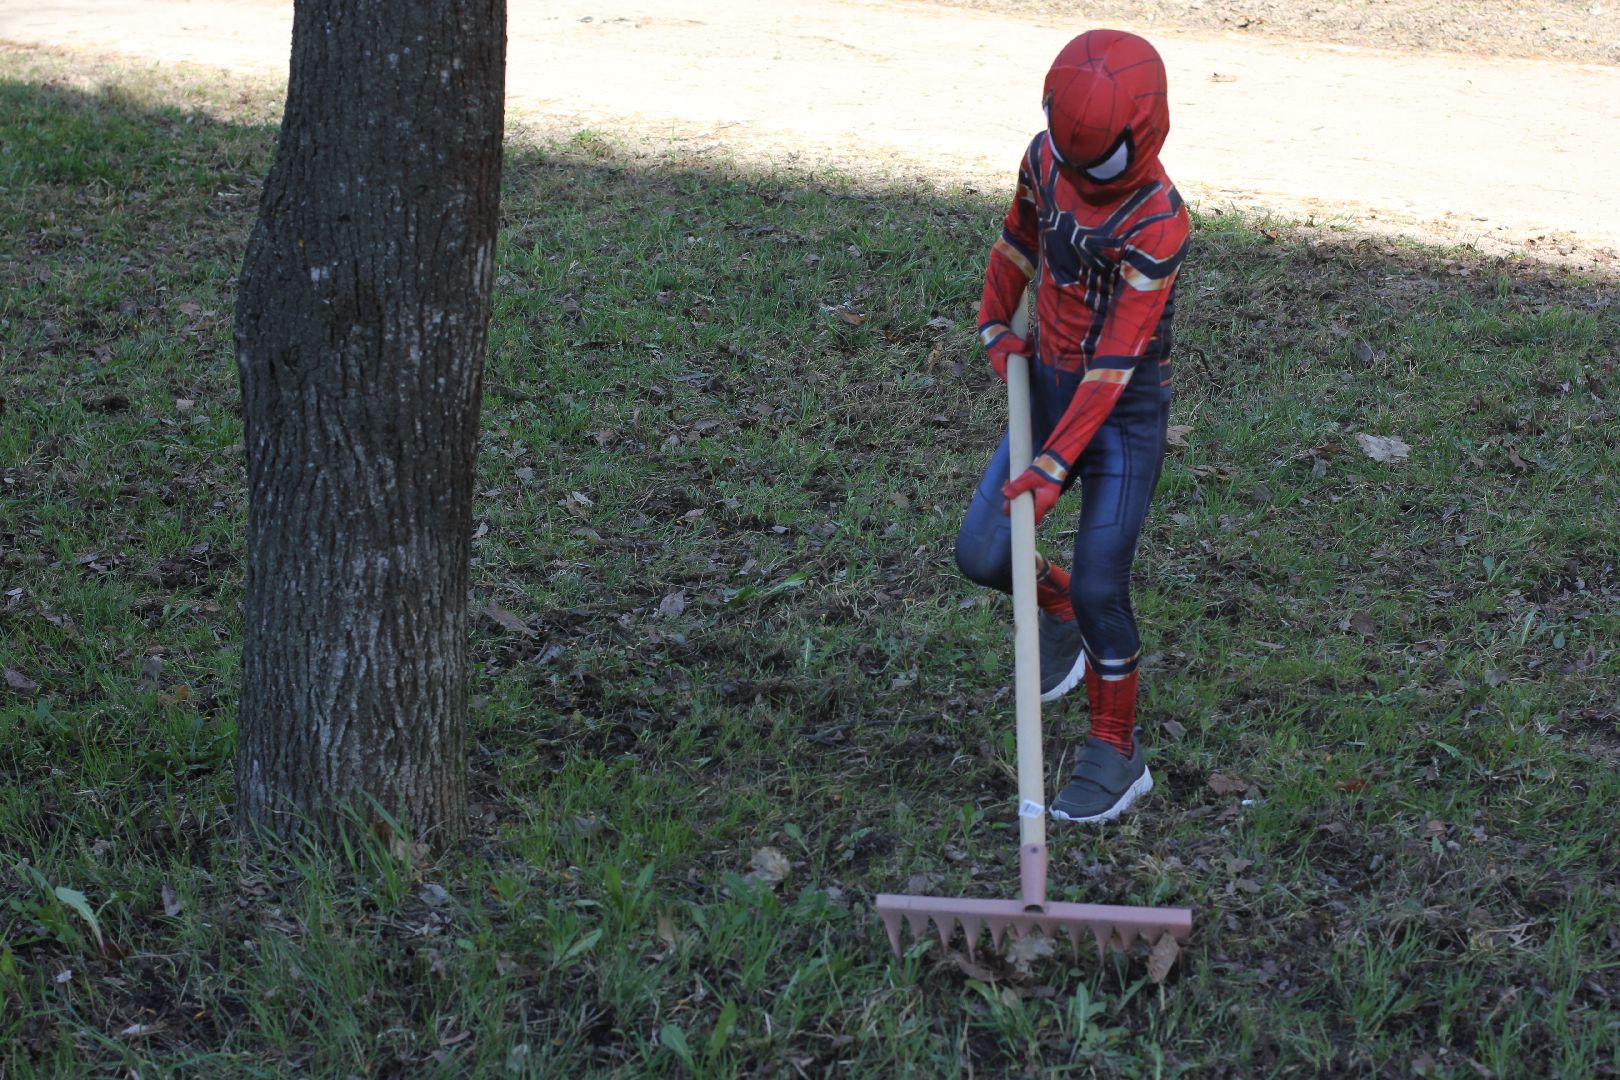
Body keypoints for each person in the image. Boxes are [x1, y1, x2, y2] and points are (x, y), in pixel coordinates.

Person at [954, 29, 1189, 824]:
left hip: (1120, 417)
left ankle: (1116, 749)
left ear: (1143, 133)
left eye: (1102, 165)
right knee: (984, 553)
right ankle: (1057, 616)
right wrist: (993, 319)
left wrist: (1054, 465)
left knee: (1100, 582)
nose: (1083, 178)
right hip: (1049, 388)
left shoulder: (1158, 220)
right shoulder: (1046, 161)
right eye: (1071, 154)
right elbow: (1020, 238)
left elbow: (1117, 361)